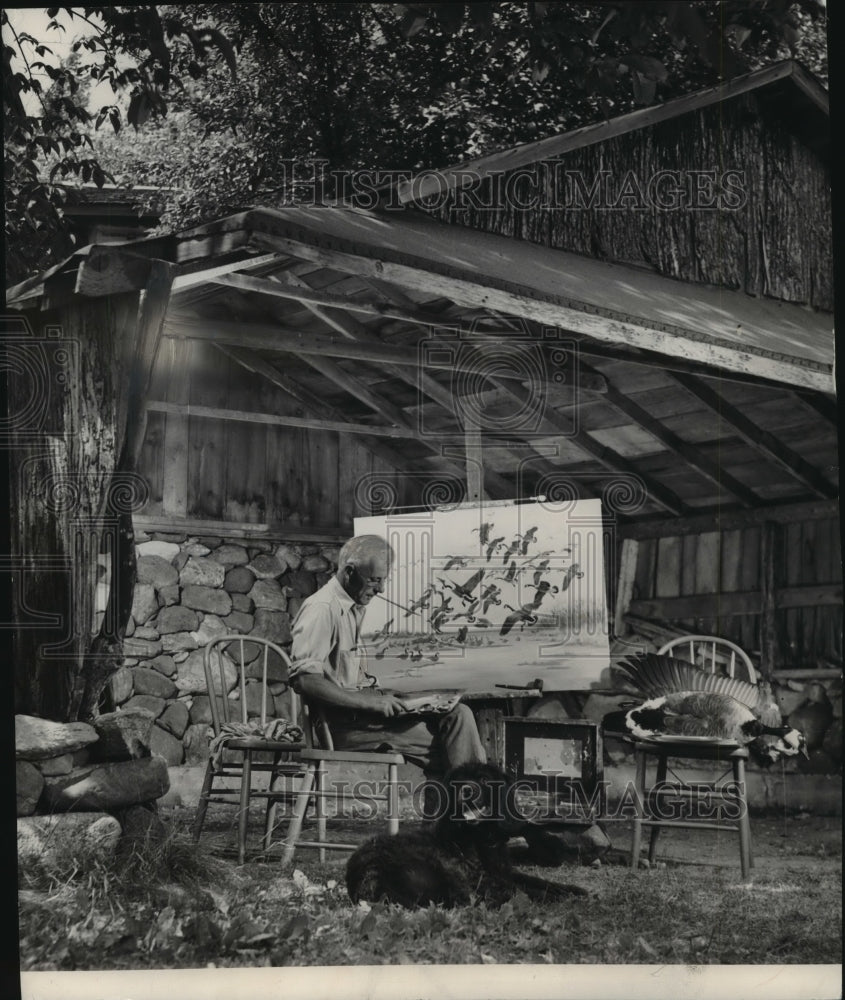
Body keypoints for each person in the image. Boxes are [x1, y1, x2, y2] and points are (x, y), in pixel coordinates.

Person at [288, 534, 486, 781]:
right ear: (349, 572)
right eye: (374, 581)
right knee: (454, 744)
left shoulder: (351, 605)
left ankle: (461, 811)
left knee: (459, 714)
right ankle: (472, 811)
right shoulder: (322, 609)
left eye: (383, 581)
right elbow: (305, 682)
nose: (380, 589)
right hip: (340, 727)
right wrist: (371, 703)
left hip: (363, 717)